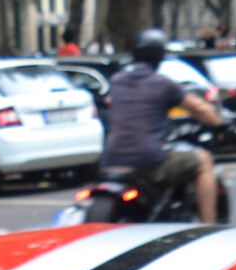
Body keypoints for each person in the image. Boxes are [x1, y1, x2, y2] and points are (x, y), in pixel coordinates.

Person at [95, 27, 225, 222]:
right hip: (148, 162)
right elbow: (200, 109)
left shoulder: (117, 81)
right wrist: (220, 124)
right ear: (160, 57)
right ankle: (208, 224)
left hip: (111, 160)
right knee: (203, 160)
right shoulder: (163, 84)